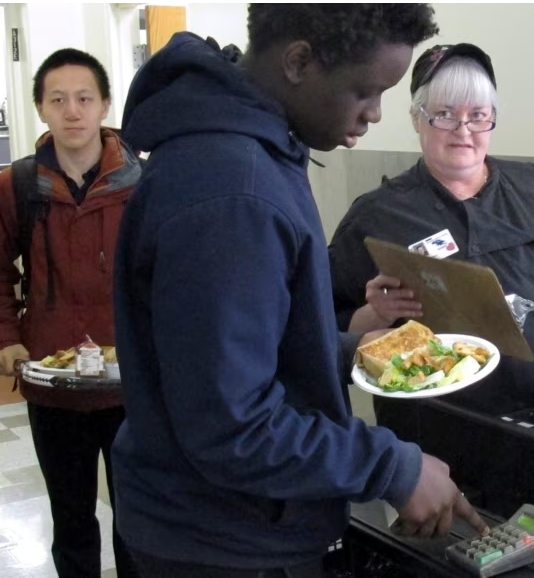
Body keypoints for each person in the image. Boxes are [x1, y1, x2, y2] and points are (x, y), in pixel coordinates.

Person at [111, 6, 487, 577]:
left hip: (223, 522)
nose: (374, 114)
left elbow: (233, 355)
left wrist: (351, 349)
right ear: (299, 61)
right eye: (366, 91)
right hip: (223, 542)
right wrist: (391, 467)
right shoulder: (233, 191)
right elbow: (232, 425)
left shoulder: (255, 148)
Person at [328, 44, 534, 410]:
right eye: (444, 114)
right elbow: (324, 327)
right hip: (447, 429)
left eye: (478, 115)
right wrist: (375, 314)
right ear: (416, 119)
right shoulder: (377, 216)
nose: (463, 130)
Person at [0, 49, 140, 578]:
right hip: (52, 385)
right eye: (57, 100)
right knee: (72, 519)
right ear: (40, 108)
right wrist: (6, 336)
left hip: (128, 385)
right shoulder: (16, 186)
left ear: (105, 104)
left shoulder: (141, 185)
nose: (72, 111)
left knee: (136, 519)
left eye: (84, 98)